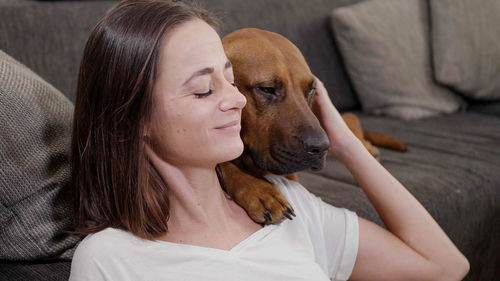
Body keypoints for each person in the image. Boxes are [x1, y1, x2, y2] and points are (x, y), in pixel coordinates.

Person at [69, 0, 469, 280]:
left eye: (230, 78)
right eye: (204, 89)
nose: (237, 99)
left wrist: (345, 142)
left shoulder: (293, 204)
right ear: (133, 116)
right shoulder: (109, 259)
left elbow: (446, 267)